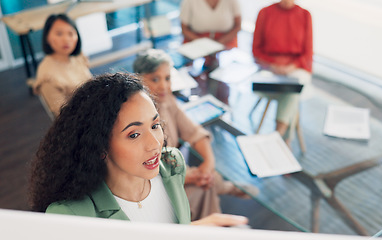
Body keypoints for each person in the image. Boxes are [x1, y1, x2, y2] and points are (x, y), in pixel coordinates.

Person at [28, 73, 248, 227]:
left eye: (155, 125)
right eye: (134, 134)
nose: (155, 144)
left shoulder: (172, 165)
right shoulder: (71, 216)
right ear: (99, 145)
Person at [133, 49, 255, 221]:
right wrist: (189, 176)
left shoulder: (166, 100)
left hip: (174, 172)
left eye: (167, 78)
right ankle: (224, 194)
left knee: (206, 180)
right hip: (155, 185)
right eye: (155, 79)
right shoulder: (136, 117)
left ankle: (218, 211)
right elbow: (144, 172)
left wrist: (208, 162)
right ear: (138, 80)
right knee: (206, 185)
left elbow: (194, 131)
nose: (164, 86)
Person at [252, 0, 313, 141]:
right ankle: (281, 138)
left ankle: (278, 134)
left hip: (295, 67)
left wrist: (291, 66)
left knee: (293, 87)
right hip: (268, 67)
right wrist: (272, 65)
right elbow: (256, 49)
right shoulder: (265, 13)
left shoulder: (305, 15)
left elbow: (308, 52)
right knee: (291, 91)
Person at [33, 14, 92, 117]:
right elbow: (63, 115)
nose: (66, 39)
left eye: (71, 33)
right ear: (47, 37)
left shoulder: (77, 57)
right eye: (59, 34)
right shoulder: (47, 75)